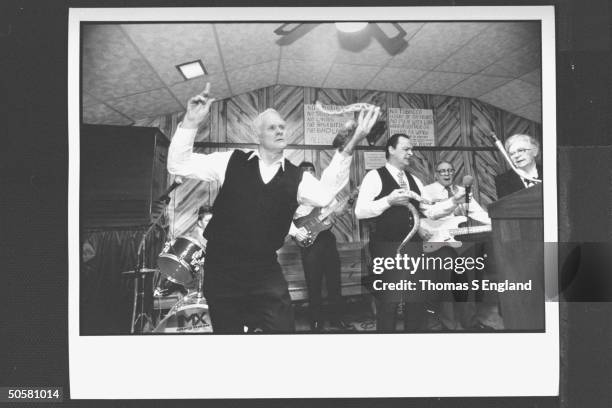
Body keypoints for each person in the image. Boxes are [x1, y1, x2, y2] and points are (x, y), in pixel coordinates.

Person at [167, 84, 380, 333]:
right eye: (272, 127)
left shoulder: (295, 176)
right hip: (222, 268)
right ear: (258, 135)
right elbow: (178, 166)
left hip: (265, 269)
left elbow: (324, 196)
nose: (280, 131)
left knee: (282, 330)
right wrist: (191, 121)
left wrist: (352, 142)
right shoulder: (230, 161)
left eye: (282, 127)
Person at [354, 134, 464, 331]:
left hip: (415, 249)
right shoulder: (374, 176)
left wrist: (453, 202)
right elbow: (360, 211)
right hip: (386, 249)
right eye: (406, 149)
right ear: (391, 150)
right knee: (389, 303)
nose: (411, 153)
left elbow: (429, 211)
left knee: (417, 303)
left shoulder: (414, 180)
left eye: (411, 149)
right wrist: (388, 201)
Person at [420, 161, 493, 330]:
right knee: (446, 284)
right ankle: (448, 326)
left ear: (453, 173)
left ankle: (471, 323)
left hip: (459, 241)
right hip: (437, 244)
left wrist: (497, 222)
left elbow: (478, 213)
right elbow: (432, 214)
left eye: (449, 171)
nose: (446, 174)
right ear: (436, 175)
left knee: (468, 280)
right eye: (442, 171)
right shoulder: (427, 191)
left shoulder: (462, 191)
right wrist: (452, 203)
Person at [289, 162, 354, 332]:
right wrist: (296, 231)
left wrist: (348, 203)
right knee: (314, 284)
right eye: (305, 171)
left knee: (334, 282)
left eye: (311, 170)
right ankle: (315, 322)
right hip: (310, 243)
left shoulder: (324, 195)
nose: (309, 173)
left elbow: (338, 212)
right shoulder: (293, 195)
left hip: (327, 240)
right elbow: (285, 218)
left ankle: (336, 320)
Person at [495, 134, 543, 198]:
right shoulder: (503, 180)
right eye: (512, 154)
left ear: (535, 151)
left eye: (521, 150)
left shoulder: (550, 173)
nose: (516, 156)